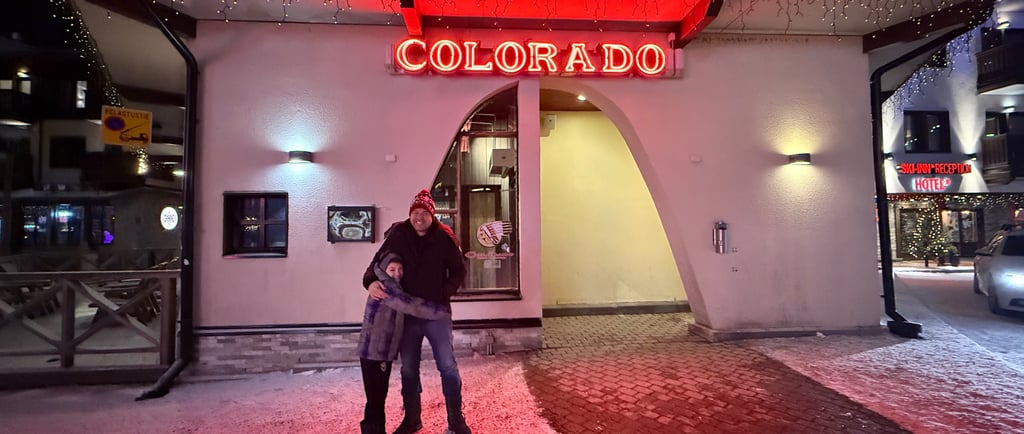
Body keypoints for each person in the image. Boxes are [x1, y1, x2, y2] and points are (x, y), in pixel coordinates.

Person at [363, 189, 470, 434]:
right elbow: (376, 263)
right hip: (407, 315)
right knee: (409, 368)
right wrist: (370, 282)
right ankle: (412, 419)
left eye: (424, 213)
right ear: (410, 214)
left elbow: (459, 271)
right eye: (415, 212)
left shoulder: (444, 237)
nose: (419, 217)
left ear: (432, 215)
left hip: (436, 313)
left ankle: (456, 421)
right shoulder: (399, 234)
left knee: (447, 366)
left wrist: (444, 293)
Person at [358, 252, 451, 434]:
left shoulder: (388, 285)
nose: (397, 273)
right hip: (375, 352)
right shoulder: (386, 288)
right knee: (376, 398)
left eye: (400, 269)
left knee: (377, 397)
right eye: (392, 269)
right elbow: (412, 306)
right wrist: (441, 311)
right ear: (383, 270)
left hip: (375, 351)